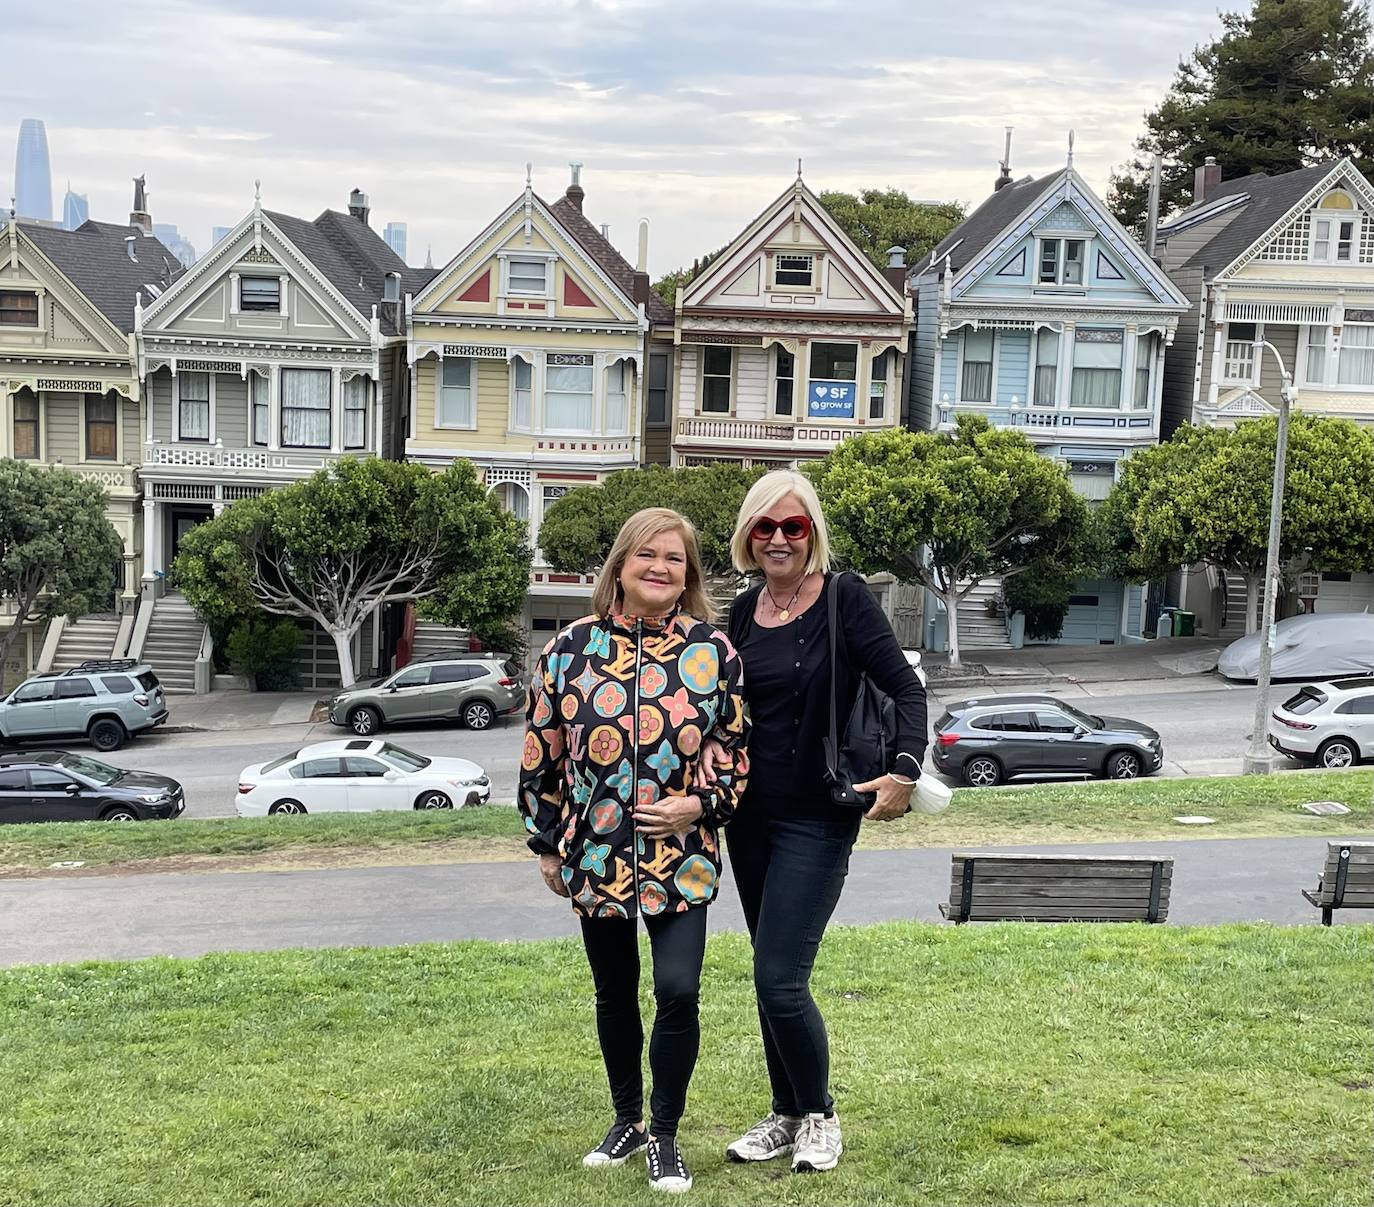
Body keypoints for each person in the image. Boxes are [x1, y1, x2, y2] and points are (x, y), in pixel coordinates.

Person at [698, 469, 927, 1174]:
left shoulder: (843, 599)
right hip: (750, 821)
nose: (777, 539)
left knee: (779, 978)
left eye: (791, 526)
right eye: (764, 526)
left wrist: (906, 769)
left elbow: (906, 689)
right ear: (746, 535)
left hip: (818, 818)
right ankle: (784, 1111)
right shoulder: (740, 613)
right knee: (770, 970)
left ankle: (820, 1113)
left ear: (812, 533)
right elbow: (720, 712)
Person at [519, 506, 749, 1194]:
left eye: (675, 559)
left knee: (677, 991)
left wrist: (696, 804)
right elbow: (542, 756)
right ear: (619, 564)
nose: (660, 567)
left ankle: (667, 1133)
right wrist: (547, 844)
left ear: (689, 576)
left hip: (683, 856)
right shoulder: (568, 651)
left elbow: (736, 757)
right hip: (595, 856)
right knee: (613, 992)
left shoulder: (713, 654)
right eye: (647, 554)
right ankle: (626, 1119)